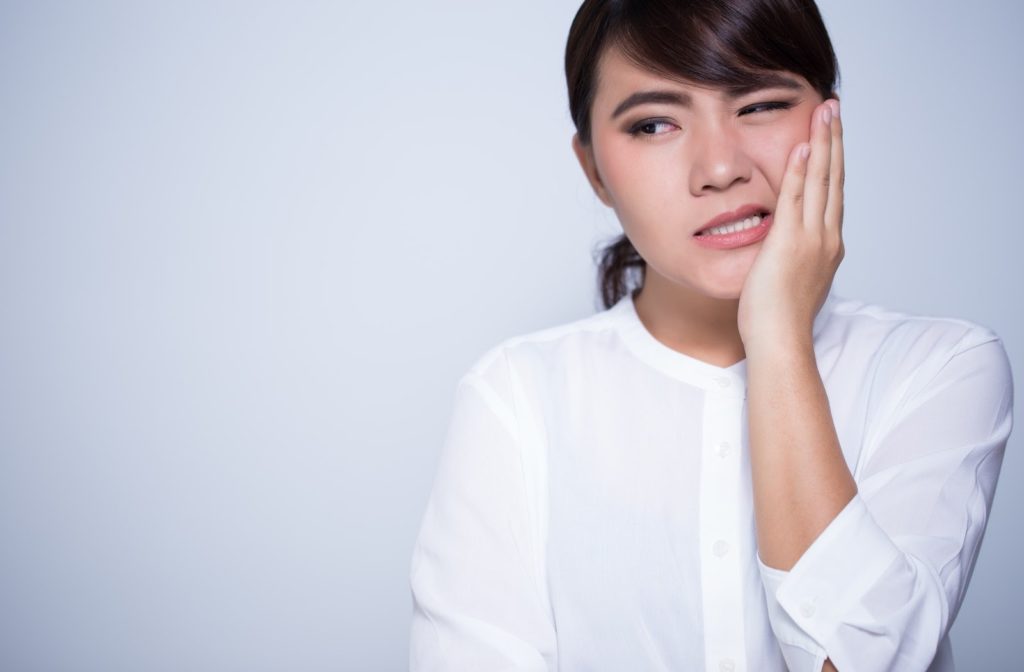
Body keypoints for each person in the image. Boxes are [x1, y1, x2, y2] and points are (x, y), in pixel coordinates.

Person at [408, 0, 1014, 670]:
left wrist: (777, 332)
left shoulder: (937, 368)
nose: (720, 167)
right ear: (593, 170)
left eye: (758, 105)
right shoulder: (515, 398)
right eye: (655, 123)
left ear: (830, 120)